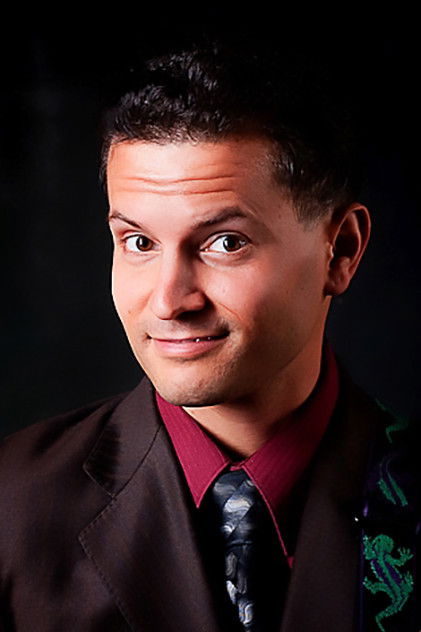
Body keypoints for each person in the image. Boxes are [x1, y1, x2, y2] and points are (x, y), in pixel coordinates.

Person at [0, 42, 419, 632]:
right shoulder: (11, 504)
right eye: (139, 242)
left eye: (226, 242)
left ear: (340, 251)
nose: (169, 301)